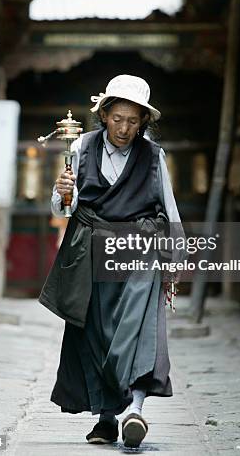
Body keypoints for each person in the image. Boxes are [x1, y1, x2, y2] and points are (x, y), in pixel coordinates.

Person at [39, 74, 184, 448]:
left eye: (133, 121)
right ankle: (105, 419)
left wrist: (174, 259)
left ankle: (134, 410)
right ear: (104, 115)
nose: (124, 128)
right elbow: (64, 209)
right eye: (118, 118)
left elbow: (169, 209)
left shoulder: (153, 155)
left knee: (136, 332)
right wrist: (62, 193)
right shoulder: (81, 148)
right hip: (91, 253)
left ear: (144, 122)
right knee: (96, 336)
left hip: (141, 251)